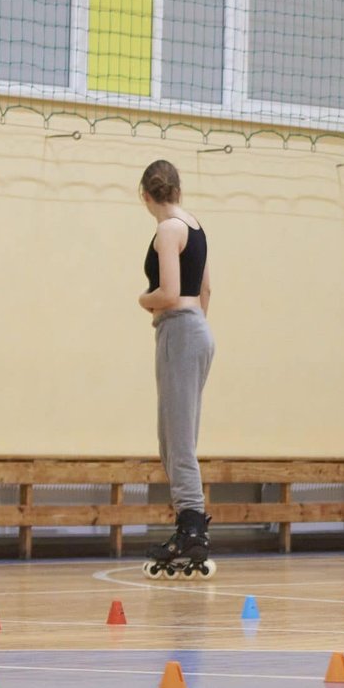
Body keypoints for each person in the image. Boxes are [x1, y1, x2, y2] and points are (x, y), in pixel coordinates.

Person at [137, 160, 216, 578]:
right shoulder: (195, 225)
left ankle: (191, 526)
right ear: (178, 189)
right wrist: (194, 325)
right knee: (172, 437)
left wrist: (142, 300)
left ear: (145, 195)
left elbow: (167, 293)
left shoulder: (168, 230)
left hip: (180, 331)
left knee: (178, 438)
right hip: (196, 329)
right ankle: (188, 522)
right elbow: (206, 289)